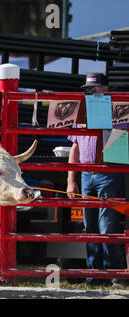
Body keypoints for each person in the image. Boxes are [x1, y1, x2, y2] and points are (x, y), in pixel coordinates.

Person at [66, 72, 127, 287]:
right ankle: (95, 273)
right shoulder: (82, 112)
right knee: (89, 225)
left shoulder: (118, 109)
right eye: (88, 89)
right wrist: (70, 179)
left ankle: (115, 273)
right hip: (87, 173)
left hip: (108, 172)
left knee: (107, 224)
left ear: (106, 90)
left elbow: (123, 142)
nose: (90, 92)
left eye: (95, 88)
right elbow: (75, 146)